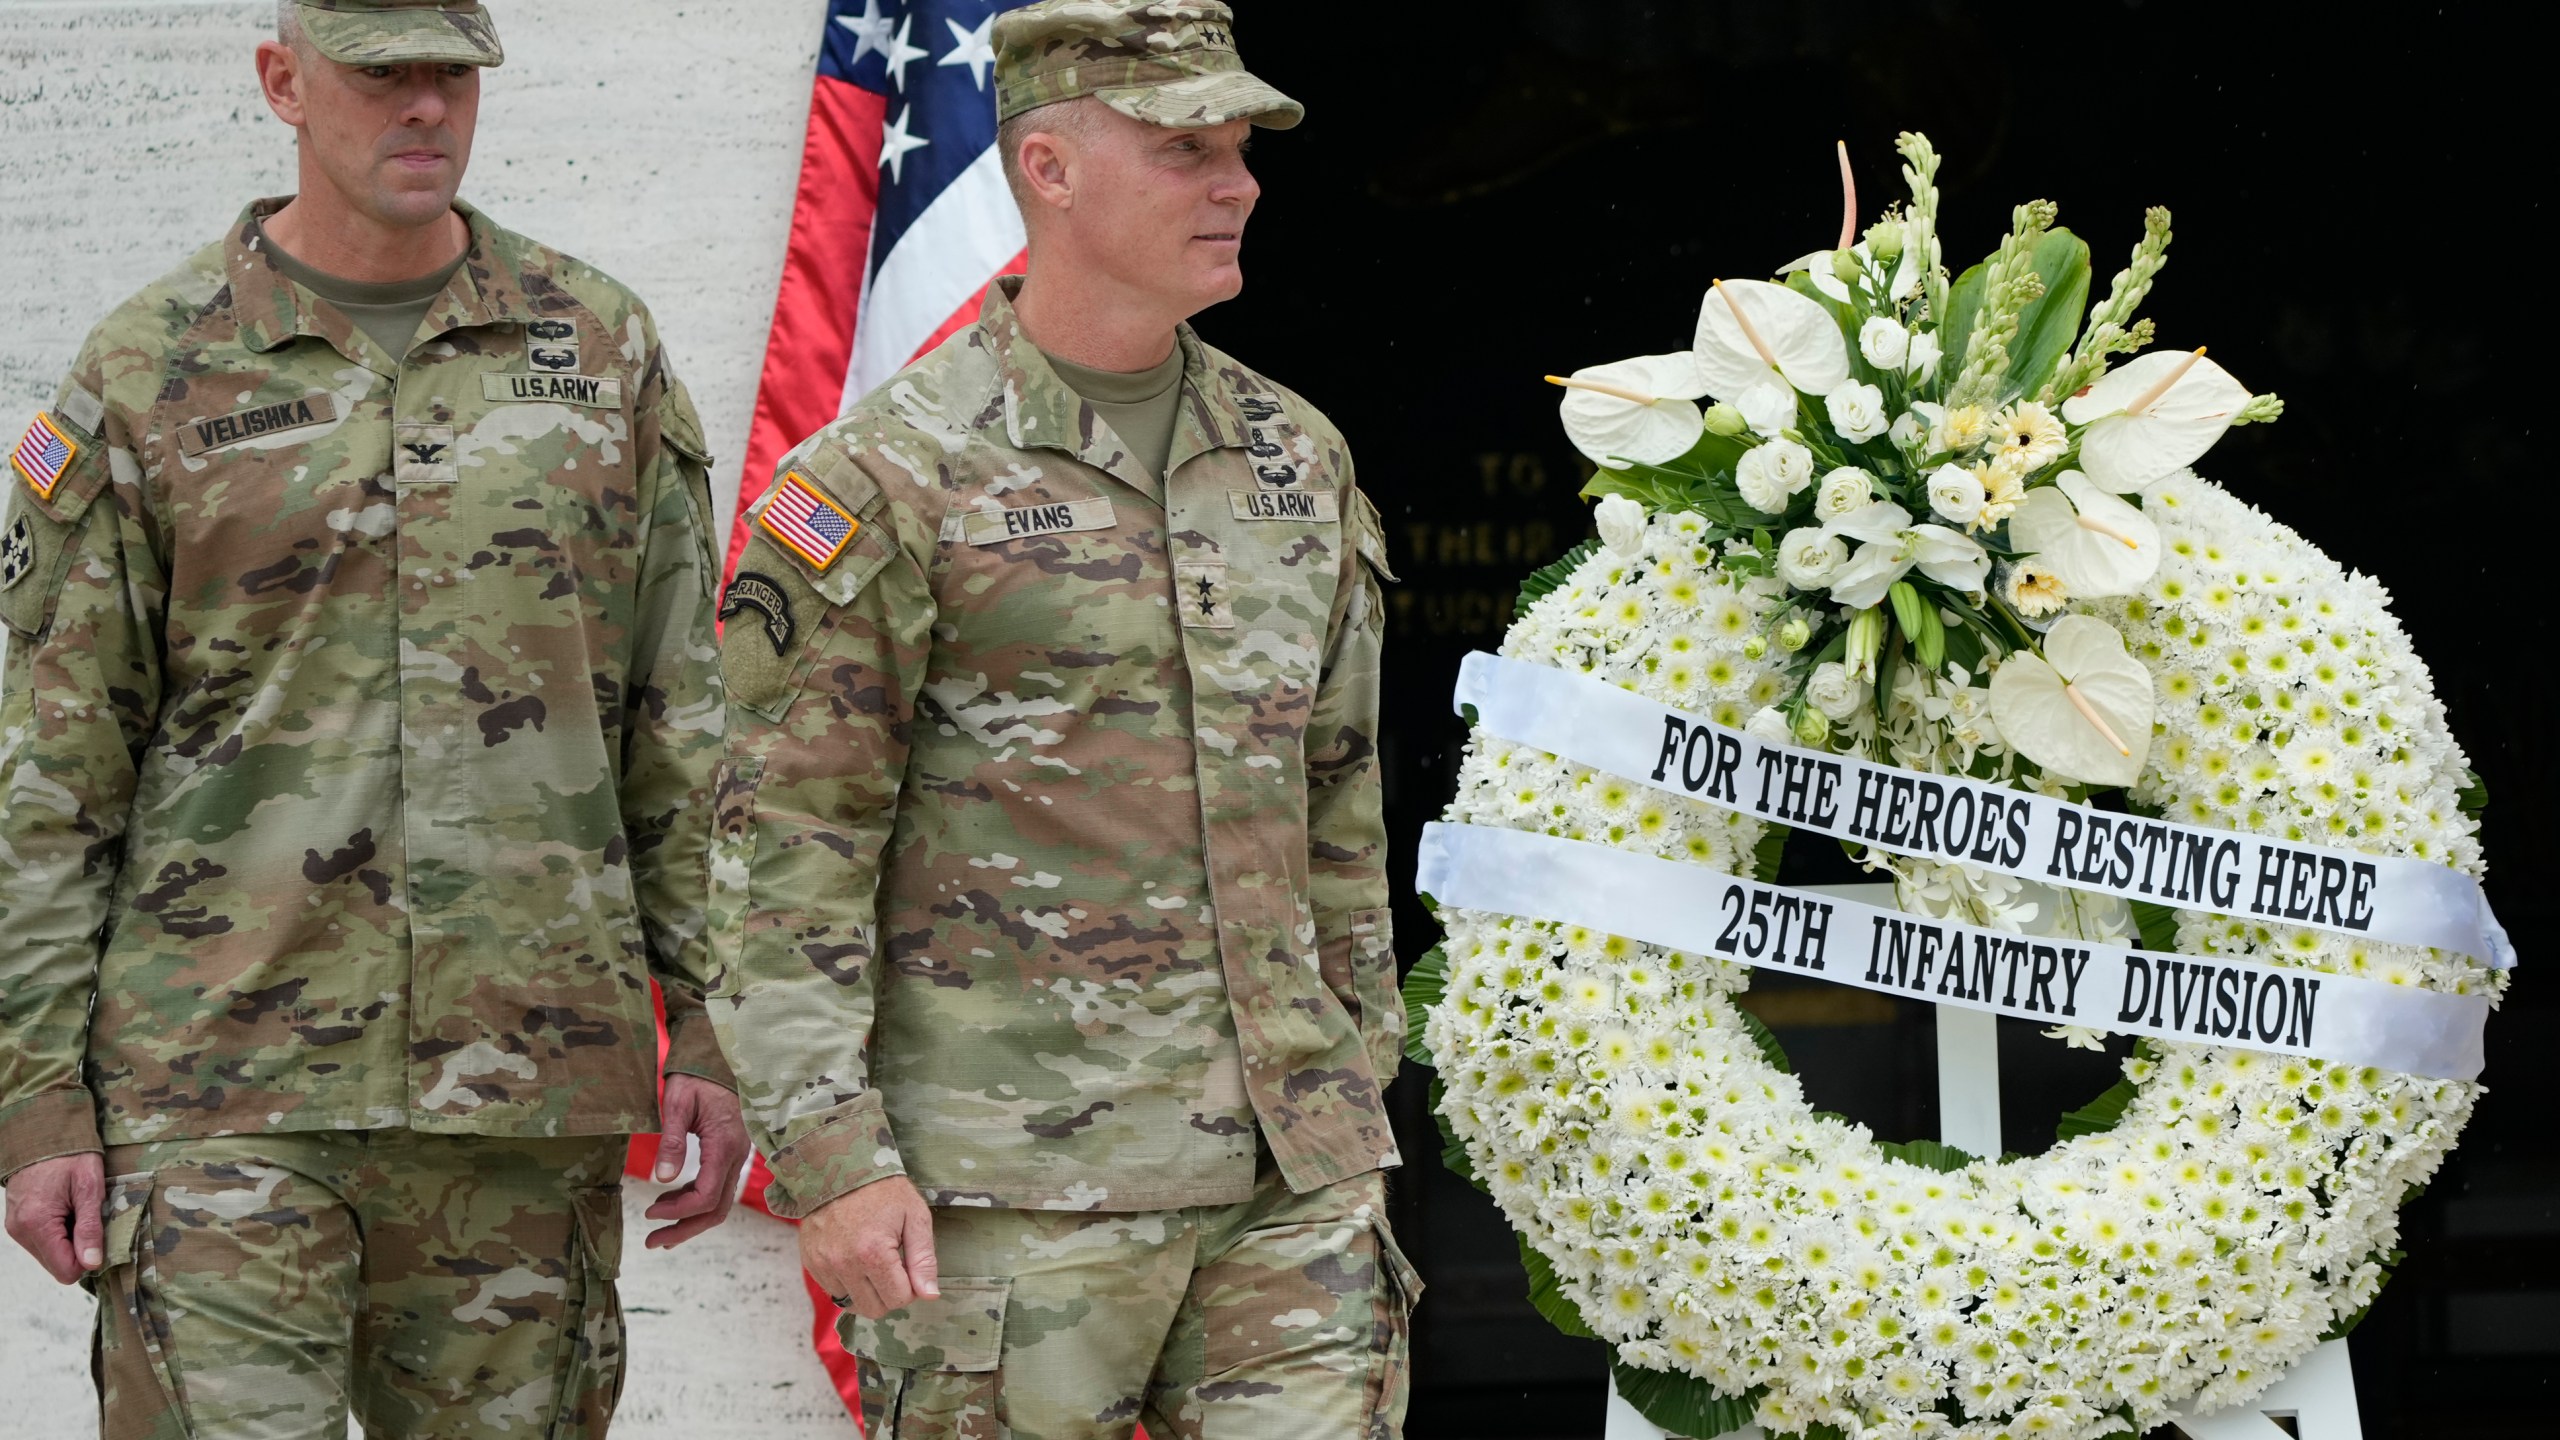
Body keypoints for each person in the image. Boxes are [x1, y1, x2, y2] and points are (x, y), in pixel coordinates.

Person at [0, 2, 745, 1433]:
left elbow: (683, 722)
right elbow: (55, 763)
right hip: (221, 1088)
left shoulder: (599, 347)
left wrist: (716, 1027)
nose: (424, 107)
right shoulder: (151, 368)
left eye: (451, 73)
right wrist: (36, 1097)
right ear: (283, 81)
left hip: (528, 1094)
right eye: (381, 71)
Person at [706, 2, 1413, 1435]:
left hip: (1292, 1186)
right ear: (1048, 167)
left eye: (1239, 149)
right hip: (1007, 1200)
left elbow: (1336, 792)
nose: (1238, 184)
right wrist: (836, 1161)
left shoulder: (1293, 456)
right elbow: (786, 850)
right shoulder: (891, 476)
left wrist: (1355, 1073)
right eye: (1184, 151)